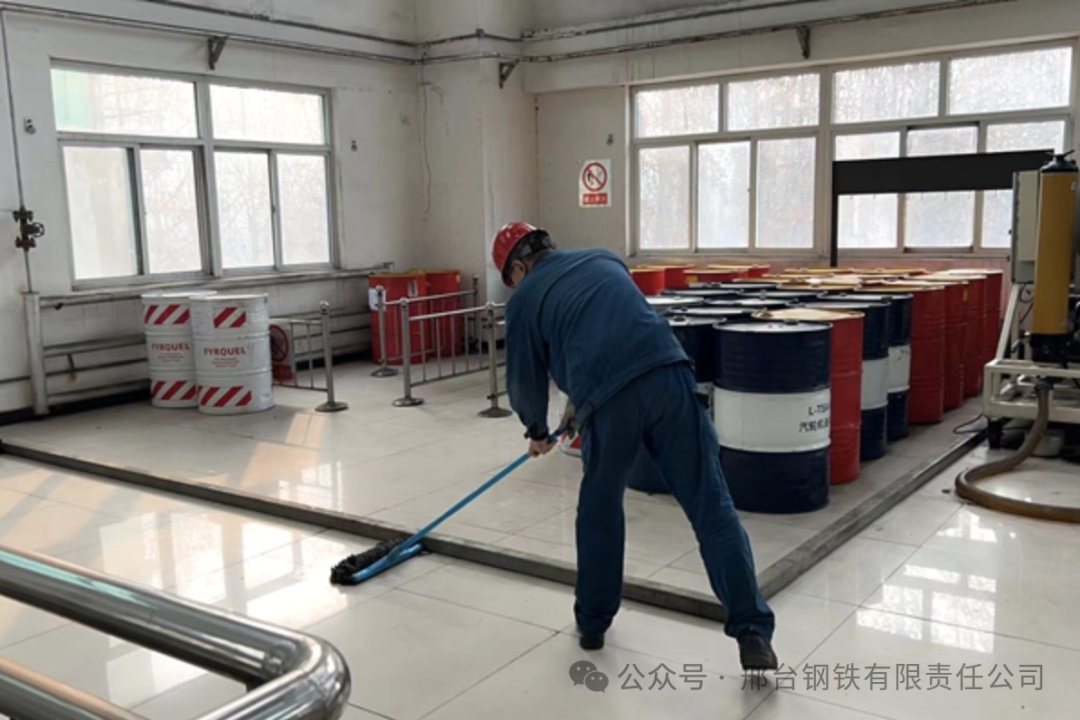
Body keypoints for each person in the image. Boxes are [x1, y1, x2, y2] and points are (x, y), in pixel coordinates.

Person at [494, 221, 778, 671]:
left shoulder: (525, 298)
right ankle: (752, 631)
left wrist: (536, 430)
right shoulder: (604, 257)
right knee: (711, 504)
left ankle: (593, 624)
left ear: (518, 268)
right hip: (671, 377)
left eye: (510, 279)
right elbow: (612, 327)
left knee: (600, 512)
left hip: (612, 405)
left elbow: (524, 378)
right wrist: (576, 400)